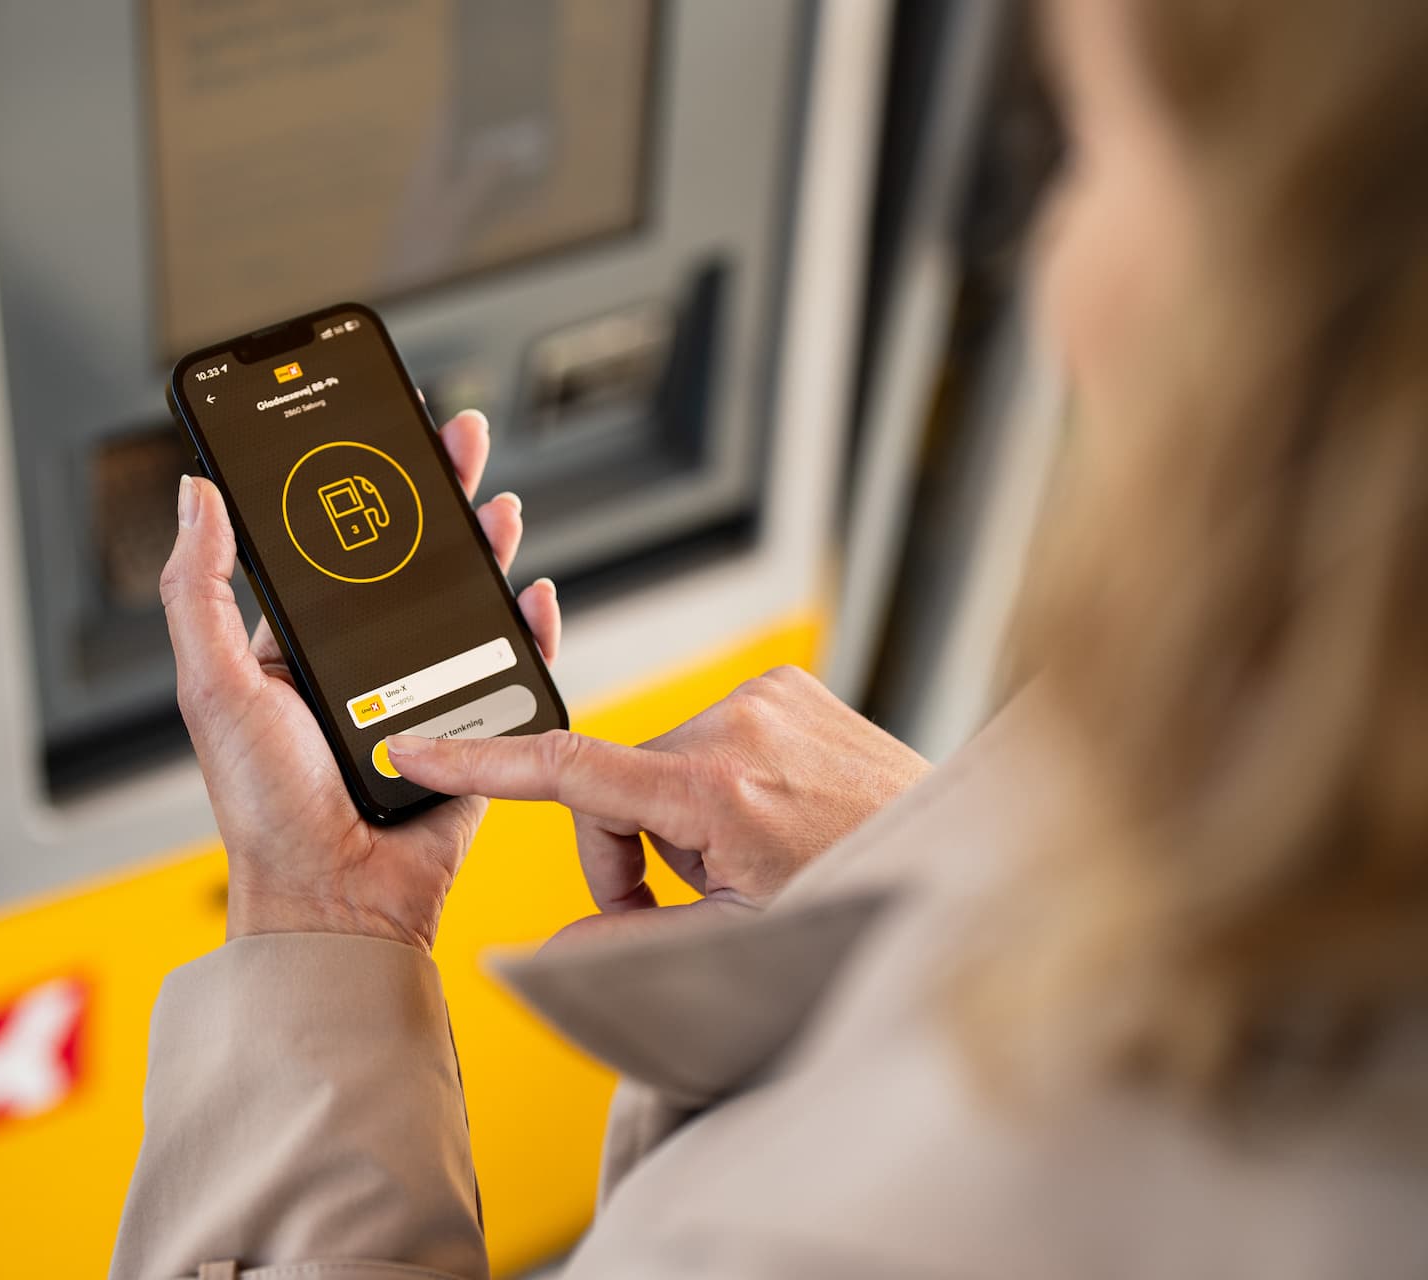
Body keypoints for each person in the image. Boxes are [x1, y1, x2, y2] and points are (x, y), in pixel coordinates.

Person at [113, 0, 1428, 1274]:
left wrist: (318, 912)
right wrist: (912, 884)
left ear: (1292, 298)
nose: (1058, 266)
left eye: (1092, 149)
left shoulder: (808, 1245)